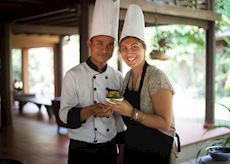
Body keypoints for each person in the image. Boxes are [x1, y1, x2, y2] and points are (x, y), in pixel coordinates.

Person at [107, 4, 179, 164]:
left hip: (157, 151)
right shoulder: (127, 76)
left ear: (144, 49)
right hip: (134, 149)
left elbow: (165, 123)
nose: (129, 53)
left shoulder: (157, 77)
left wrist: (132, 111)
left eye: (134, 47)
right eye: (124, 48)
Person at [59, 0, 126, 163]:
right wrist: (92, 110)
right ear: (89, 44)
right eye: (99, 43)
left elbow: (118, 117)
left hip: (109, 149)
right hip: (81, 150)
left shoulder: (117, 77)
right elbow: (64, 115)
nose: (105, 49)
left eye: (110, 45)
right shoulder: (73, 75)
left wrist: (122, 152)